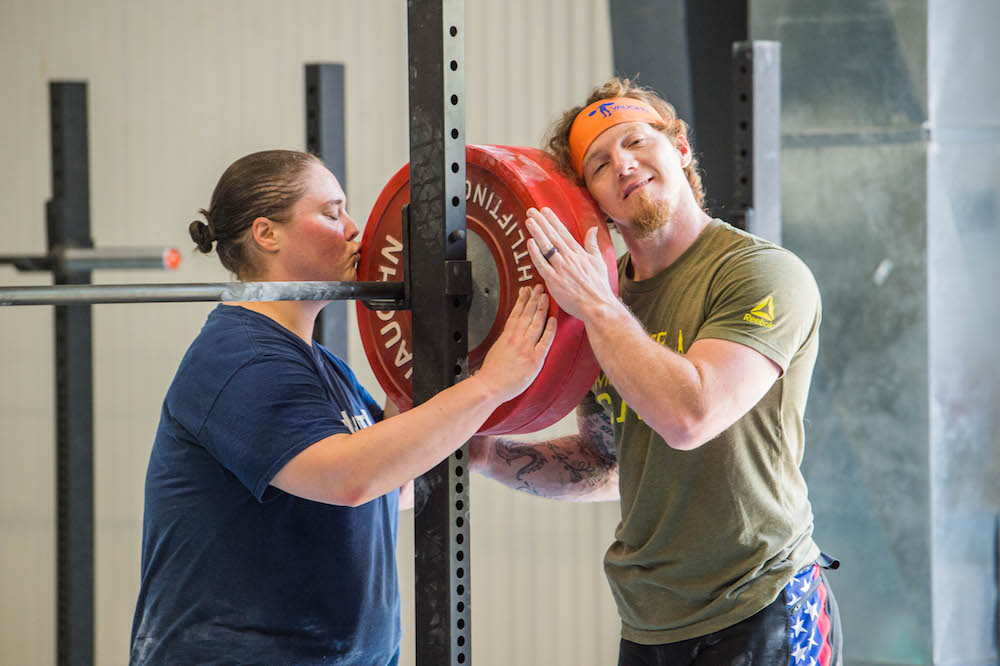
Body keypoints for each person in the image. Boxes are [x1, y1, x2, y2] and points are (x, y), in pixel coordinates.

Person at [129, 149, 556, 665]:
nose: (355, 228)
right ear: (267, 234)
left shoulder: (323, 368)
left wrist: (439, 368)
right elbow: (349, 478)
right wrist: (491, 385)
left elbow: (391, 487)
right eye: (332, 213)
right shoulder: (239, 359)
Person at [471, 78, 843, 665]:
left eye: (637, 142)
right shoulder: (604, 298)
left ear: (681, 150)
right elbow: (605, 463)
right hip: (650, 624)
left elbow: (690, 416)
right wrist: (489, 457)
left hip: (762, 603)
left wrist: (596, 307)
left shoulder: (763, 274)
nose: (622, 164)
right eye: (598, 163)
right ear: (591, 197)